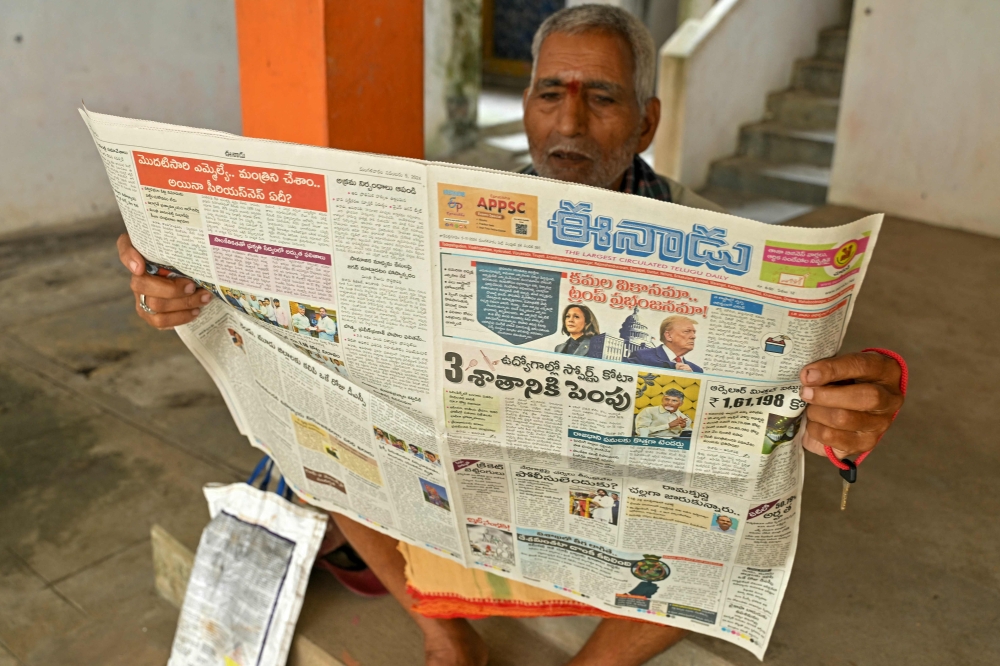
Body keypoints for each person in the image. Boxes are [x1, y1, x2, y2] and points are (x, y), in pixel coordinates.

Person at [115, 6, 906, 664]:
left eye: (601, 96)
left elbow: (806, 409)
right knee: (311, 449)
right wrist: (189, 294)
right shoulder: (454, 213)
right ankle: (446, 637)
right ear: (525, 104)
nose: (568, 122)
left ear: (646, 120)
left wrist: (847, 419)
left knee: (743, 545)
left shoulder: (720, 241)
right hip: (474, 498)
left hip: (614, 525)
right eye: (548, 94)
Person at [627, 315, 703, 372]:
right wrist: (674, 367)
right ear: (669, 336)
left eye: (694, 332)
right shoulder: (642, 357)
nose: (693, 336)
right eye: (687, 331)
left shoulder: (697, 370)